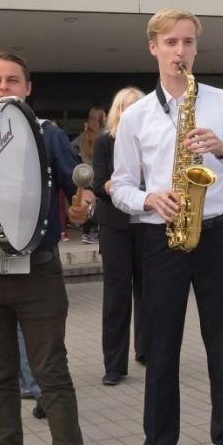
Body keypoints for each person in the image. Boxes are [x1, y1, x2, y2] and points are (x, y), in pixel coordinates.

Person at [111, 8, 223, 445]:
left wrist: (222, 150)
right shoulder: (134, 116)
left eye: (189, 43)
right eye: (172, 43)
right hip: (162, 240)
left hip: (218, 235)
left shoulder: (222, 103)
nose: (181, 52)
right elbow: (120, 186)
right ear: (153, 47)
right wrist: (147, 199)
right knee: (161, 356)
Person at [0, 50, 90, 445]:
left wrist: (83, 205)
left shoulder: (46, 134)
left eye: (11, 80)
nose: (2, 88)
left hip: (38, 271)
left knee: (52, 374)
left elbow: (77, 180)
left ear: (27, 88)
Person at [92, 86, 146, 386]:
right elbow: (99, 184)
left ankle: (146, 350)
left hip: (148, 222)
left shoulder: (153, 140)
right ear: (117, 112)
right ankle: (114, 365)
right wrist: (121, 188)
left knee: (149, 291)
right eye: (125, 107)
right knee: (116, 295)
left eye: (137, 106)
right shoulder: (104, 142)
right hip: (115, 226)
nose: (130, 112)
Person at [72, 107, 106, 244]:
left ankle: (86, 234)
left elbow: (70, 147)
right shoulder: (105, 134)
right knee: (102, 203)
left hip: (86, 175)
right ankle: (99, 232)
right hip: (101, 175)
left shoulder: (82, 136)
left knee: (88, 204)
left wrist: (80, 159)